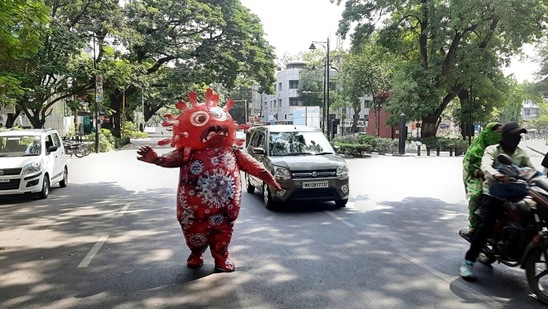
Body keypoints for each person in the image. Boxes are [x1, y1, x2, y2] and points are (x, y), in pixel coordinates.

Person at [137, 88, 282, 272]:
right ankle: (196, 252)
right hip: (192, 210)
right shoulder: (188, 152)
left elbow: (256, 168)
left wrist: (271, 180)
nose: (216, 127)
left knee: (224, 232)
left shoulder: (233, 151)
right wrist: (156, 159)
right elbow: (170, 160)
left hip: (226, 210)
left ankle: (221, 257)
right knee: (193, 235)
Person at [460, 122, 536, 280]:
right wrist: (495, 174)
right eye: (514, 135)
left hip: (516, 194)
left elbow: (532, 170)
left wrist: (538, 178)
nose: (518, 139)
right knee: (486, 226)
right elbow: (486, 165)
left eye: (519, 136)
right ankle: (468, 262)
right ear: (506, 137)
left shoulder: (521, 153)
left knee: (533, 218)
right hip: (494, 193)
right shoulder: (492, 150)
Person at [459, 122, 502, 239]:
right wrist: (480, 173)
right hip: (476, 177)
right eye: (497, 133)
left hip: (499, 177)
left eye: (502, 133)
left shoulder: (503, 148)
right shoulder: (476, 149)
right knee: (476, 195)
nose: (500, 136)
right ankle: (473, 225)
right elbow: (468, 165)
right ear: (488, 134)